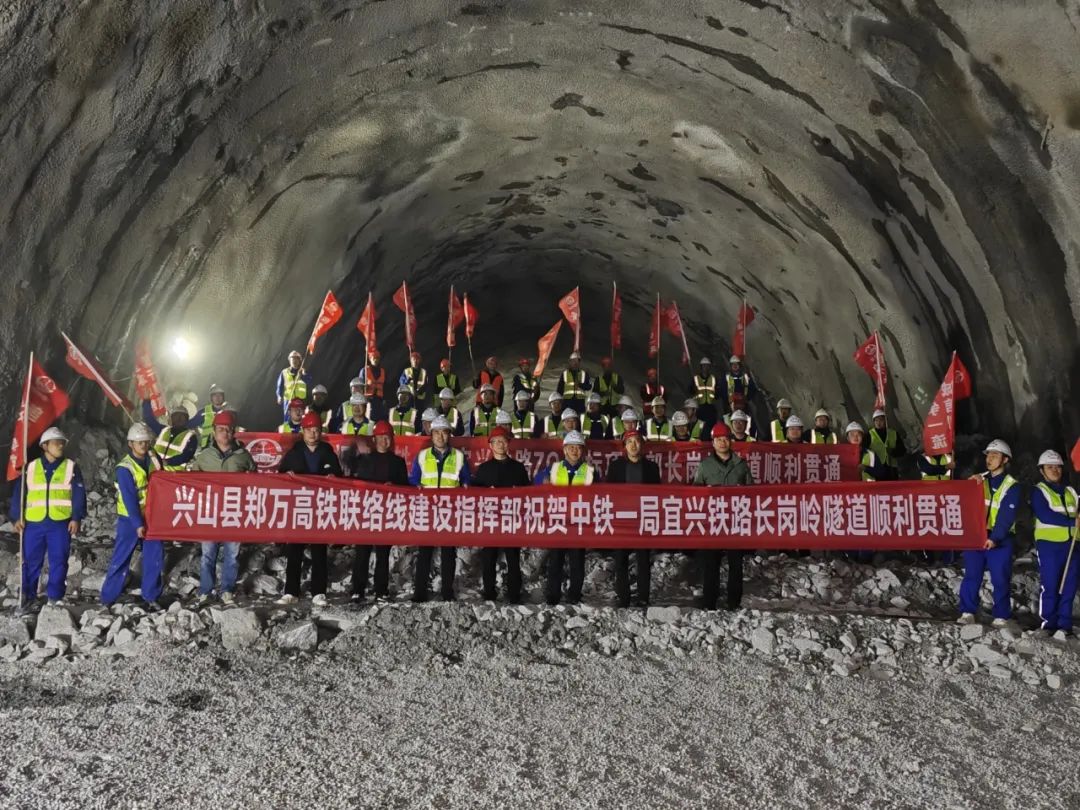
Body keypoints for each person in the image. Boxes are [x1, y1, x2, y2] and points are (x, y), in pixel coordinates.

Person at [10, 427, 86, 609]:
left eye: (62, 443)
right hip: (33, 523)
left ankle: (55, 597)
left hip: (60, 523)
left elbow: (79, 494)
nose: (60, 446)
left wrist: (76, 517)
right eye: (56, 443)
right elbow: (19, 494)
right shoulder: (30, 467)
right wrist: (16, 517)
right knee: (30, 561)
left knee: (59, 560)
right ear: (45, 446)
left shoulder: (71, 467)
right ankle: (27, 596)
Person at [275, 412, 343, 606]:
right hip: (299, 508)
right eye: (309, 430)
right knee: (294, 550)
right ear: (303, 431)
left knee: (319, 551)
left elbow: (339, 476)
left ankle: (319, 592)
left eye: (316, 430)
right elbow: (279, 477)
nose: (313, 433)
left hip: (320, 508)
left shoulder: (328, 452)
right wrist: (287, 476)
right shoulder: (294, 453)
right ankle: (291, 592)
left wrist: (333, 478)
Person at [190, 412, 256, 605]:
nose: (224, 433)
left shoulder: (243, 456)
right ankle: (206, 590)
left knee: (232, 555)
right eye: (221, 429)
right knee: (208, 554)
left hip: (233, 512)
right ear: (214, 431)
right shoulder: (204, 457)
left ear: (233, 432)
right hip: (210, 512)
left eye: (228, 430)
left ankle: (227, 589)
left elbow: (256, 482)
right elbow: (192, 481)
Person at [101, 423, 165, 609]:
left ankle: (151, 596)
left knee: (154, 556)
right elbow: (129, 498)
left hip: (152, 516)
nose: (143, 445)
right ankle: (108, 598)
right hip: (130, 520)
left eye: (146, 442)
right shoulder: (125, 468)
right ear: (130, 444)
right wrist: (138, 524)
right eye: (139, 442)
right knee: (121, 557)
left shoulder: (152, 460)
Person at [409, 415, 471, 601]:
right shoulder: (422, 456)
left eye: (444, 432)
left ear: (449, 434)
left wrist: (465, 488)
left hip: (449, 512)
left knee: (448, 554)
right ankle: (420, 593)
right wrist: (416, 486)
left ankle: (447, 592)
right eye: (437, 432)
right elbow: (413, 479)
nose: (440, 436)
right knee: (425, 553)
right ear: (431, 434)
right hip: (427, 511)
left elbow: (466, 481)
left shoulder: (459, 457)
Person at [958, 440, 1019, 627]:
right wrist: (969, 485)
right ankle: (968, 612)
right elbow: (963, 502)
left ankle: (1001, 615)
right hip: (977, 535)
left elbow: (1007, 515)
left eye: (995, 455)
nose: (990, 459)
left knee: (1000, 578)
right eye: (988, 455)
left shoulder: (1012, 486)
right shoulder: (979, 481)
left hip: (1000, 539)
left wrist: (995, 538)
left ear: (1005, 459)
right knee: (972, 575)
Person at [692, 423, 754, 610]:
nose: (722, 442)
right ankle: (710, 600)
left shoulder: (741, 465)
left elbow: (753, 492)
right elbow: (695, 492)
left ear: (730, 441)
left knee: (736, 563)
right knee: (711, 562)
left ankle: (734, 601)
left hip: (735, 520)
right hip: (712, 521)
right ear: (713, 442)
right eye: (718, 439)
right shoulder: (705, 466)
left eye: (725, 439)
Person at [535, 431, 598, 605]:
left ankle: (574, 595)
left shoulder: (590, 471)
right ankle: (553, 595)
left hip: (578, 523)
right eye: (571, 447)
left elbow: (599, 495)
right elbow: (536, 482)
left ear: (583, 451)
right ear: (564, 450)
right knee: (556, 560)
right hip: (558, 521)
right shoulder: (553, 469)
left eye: (578, 448)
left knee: (577, 561)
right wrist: (543, 482)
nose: (575, 451)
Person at [349, 420, 409, 602]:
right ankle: (358, 589)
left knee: (383, 554)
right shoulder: (363, 460)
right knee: (362, 552)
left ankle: (381, 590)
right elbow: (355, 483)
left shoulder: (398, 462)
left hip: (386, 514)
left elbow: (405, 487)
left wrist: (394, 486)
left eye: (387, 437)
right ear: (374, 439)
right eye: (381, 437)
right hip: (367, 512)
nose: (385, 440)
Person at [471, 426, 531, 602]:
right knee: (488, 558)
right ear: (490, 445)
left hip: (512, 519)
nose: (500, 444)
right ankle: (489, 593)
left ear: (508, 443)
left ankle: (514, 594)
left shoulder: (518, 468)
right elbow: (475, 495)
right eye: (496, 441)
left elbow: (528, 494)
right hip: (490, 520)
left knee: (513, 558)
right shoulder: (484, 469)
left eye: (503, 441)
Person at [606, 429, 661, 607]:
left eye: (637, 441)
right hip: (621, 519)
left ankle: (643, 596)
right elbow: (608, 493)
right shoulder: (615, 467)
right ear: (624, 446)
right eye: (629, 442)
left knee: (643, 560)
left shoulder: (652, 468)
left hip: (642, 519)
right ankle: (623, 597)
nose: (633, 445)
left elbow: (658, 494)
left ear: (642, 444)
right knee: (620, 560)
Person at [1029, 449, 1079, 635]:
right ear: (1042, 470)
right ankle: (1049, 624)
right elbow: (1045, 515)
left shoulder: (1070, 491)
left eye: (1057, 467)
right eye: (1050, 467)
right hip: (1050, 545)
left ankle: (1064, 625)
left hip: (1073, 544)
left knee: (1069, 586)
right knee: (1050, 585)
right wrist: (1072, 522)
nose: (1054, 470)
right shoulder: (1039, 491)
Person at [148, 403, 200, 471]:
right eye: (176, 416)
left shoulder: (191, 437)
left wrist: (168, 462)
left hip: (174, 475)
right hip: (155, 473)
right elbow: (149, 419)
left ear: (187, 419)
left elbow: (187, 456)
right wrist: (146, 401)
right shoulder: (163, 430)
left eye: (182, 416)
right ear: (171, 418)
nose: (179, 418)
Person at [868, 409, 906, 480]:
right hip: (876, 468)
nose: (878, 422)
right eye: (876, 420)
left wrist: (893, 451)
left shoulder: (893, 433)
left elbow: (903, 450)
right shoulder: (869, 435)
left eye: (881, 420)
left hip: (892, 469)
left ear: (885, 421)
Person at [276, 351, 311, 417]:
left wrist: (303, 376)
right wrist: (279, 396)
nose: (294, 360)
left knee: (300, 419)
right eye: (292, 358)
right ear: (289, 360)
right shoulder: (284, 372)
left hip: (301, 401)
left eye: (296, 358)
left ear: (299, 360)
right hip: (288, 401)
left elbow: (309, 381)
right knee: (288, 419)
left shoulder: (303, 371)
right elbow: (279, 386)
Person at [690, 357, 718, 424]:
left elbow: (717, 393)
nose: (705, 367)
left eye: (707, 365)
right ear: (701, 367)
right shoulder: (696, 379)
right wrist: (693, 389)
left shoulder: (713, 379)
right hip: (700, 407)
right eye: (704, 365)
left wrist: (716, 394)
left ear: (709, 367)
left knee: (711, 424)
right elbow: (690, 391)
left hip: (710, 407)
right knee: (700, 426)